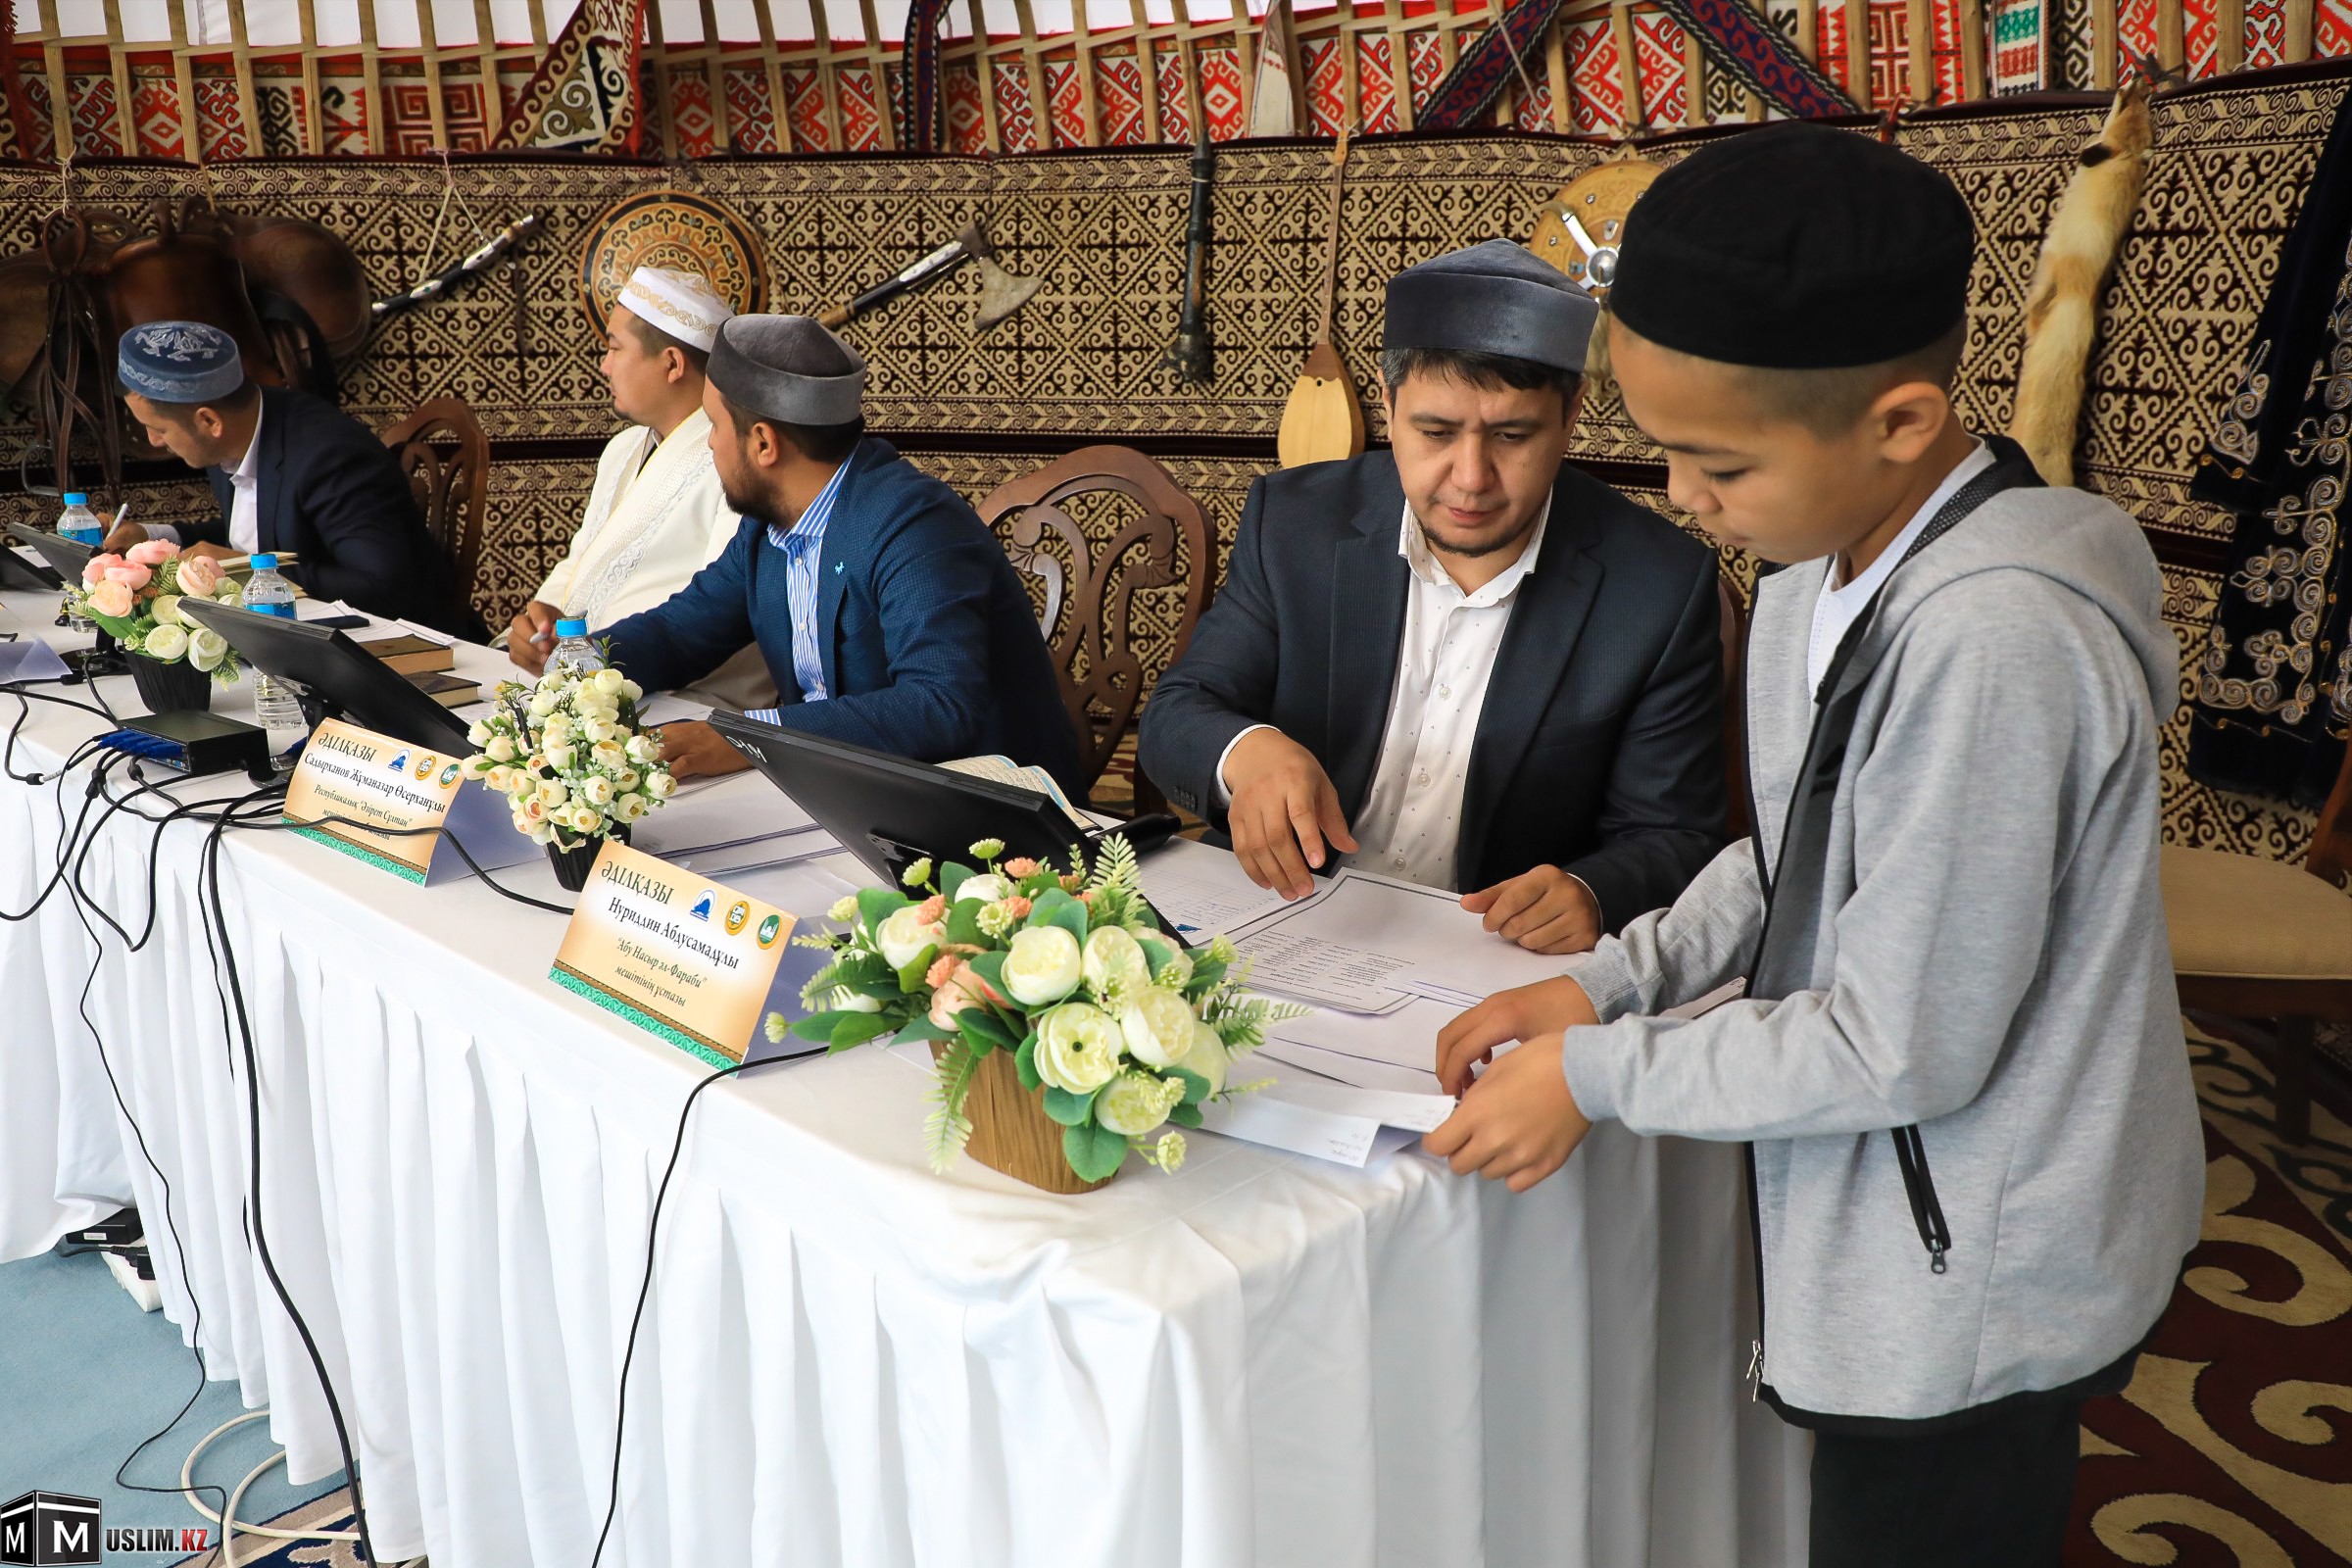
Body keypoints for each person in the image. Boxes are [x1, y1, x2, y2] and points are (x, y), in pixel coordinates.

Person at [1424, 124, 2202, 1566]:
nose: (1680, 495)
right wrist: (1607, 981)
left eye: (1716, 460)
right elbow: (1795, 855)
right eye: (1663, 448)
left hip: (1974, 1265)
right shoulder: (1810, 573)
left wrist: (1597, 1073)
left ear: (1899, 423)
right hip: (1900, 1219)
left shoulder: (1993, 646)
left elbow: (1902, 1048)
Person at [1138, 239, 1725, 955]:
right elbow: (1179, 713)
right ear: (1388, 408)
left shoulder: (1659, 587)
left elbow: (1674, 834)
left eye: (1512, 435)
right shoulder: (1295, 524)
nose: (1471, 478)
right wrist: (1247, 752)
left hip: (1484, 955)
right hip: (1277, 918)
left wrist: (1595, 892)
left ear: (1570, 415)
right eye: (1436, 432)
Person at [600, 314, 1083, 790]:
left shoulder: (915, 525)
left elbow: (939, 704)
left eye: (714, 424)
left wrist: (747, 737)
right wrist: (577, 667)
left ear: (764, 442)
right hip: (848, 789)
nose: (709, 444)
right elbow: (677, 634)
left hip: (989, 813)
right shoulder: (768, 525)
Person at [506, 267, 774, 710]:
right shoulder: (623, 449)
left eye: (614, 348)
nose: (604, 364)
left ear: (672, 364)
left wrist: (593, 664)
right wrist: (541, 626)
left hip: (680, 696)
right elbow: (580, 560)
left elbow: (721, 610)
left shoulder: (735, 458)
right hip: (584, 675)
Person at [105, 320, 478, 637]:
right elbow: (263, 530)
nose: (154, 441)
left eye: (158, 429)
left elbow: (382, 587)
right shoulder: (238, 429)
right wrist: (152, 538)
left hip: (400, 646)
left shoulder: (330, 456)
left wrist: (244, 568)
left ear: (209, 421)